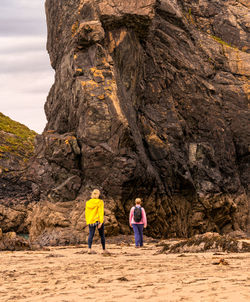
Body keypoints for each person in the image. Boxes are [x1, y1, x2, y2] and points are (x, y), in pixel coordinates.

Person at [85, 189, 107, 254]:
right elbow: (101, 212)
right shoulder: (100, 202)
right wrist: (101, 221)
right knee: (102, 235)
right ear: (98, 194)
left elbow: (87, 213)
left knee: (91, 234)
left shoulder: (88, 202)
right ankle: (103, 249)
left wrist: (88, 221)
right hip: (98, 220)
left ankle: (89, 249)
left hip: (91, 221)